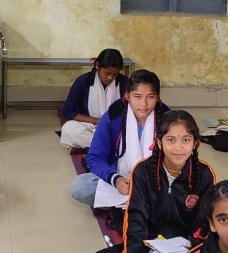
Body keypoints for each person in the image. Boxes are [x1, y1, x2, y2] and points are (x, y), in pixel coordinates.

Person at [85, 110, 215, 253]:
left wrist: (187, 251)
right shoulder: (143, 171)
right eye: (171, 140)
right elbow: (136, 221)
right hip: (149, 245)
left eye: (186, 140)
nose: (179, 148)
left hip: (185, 249)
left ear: (195, 144)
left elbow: (204, 225)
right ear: (159, 142)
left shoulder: (204, 174)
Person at [69, 69, 168, 207]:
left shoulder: (168, 120)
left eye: (150, 97)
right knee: (80, 187)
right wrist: (115, 179)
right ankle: (141, 205)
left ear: (158, 97)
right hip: (120, 173)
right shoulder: (113, 116)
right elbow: (95, 157)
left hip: (157, 179)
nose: (143, 104)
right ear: (127, 95)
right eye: (137, 96)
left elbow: (179, 160)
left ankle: (129, 206)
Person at [59, 48, 130, 150]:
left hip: (114, 127)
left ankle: (95, 147)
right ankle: (112, 147)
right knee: (68, 129)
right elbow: (68, 111)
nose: (110, 78)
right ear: (97, 66)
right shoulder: (83, 81)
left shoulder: (124, 83)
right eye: (107, 74)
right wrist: (97, 121)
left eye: (114, 75)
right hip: (90, 126)